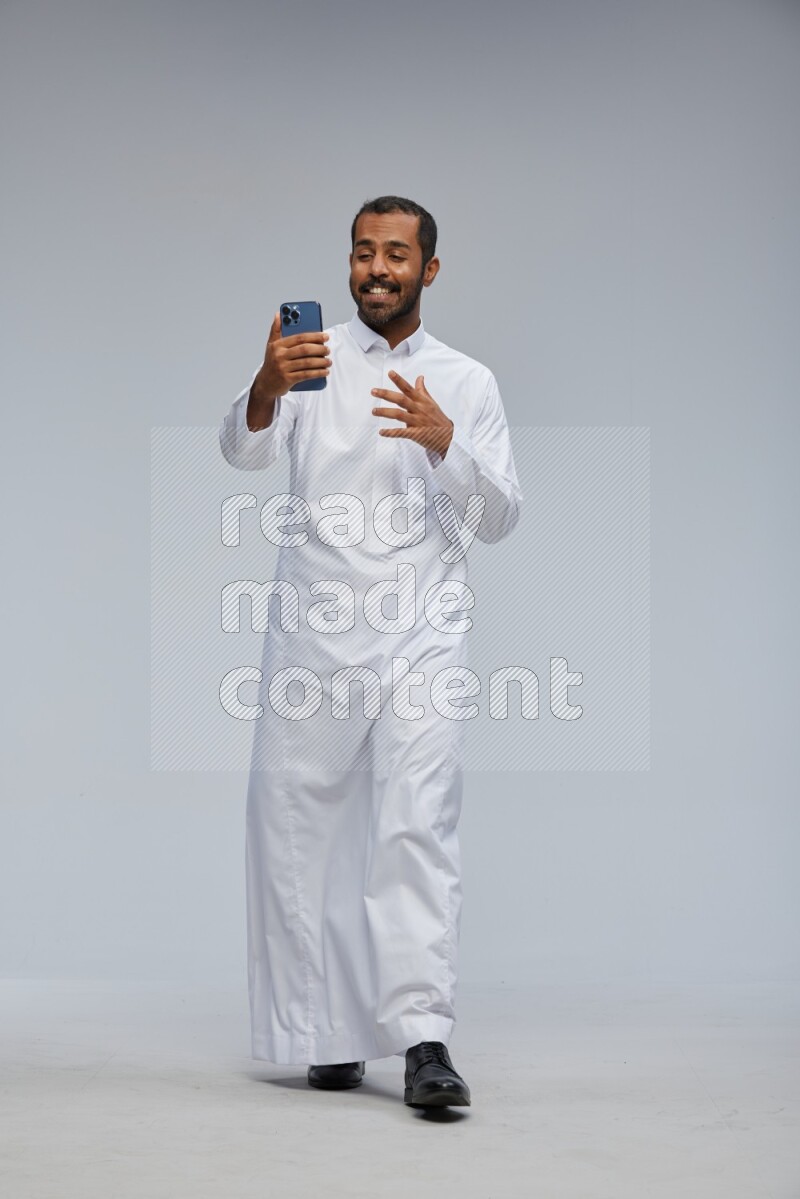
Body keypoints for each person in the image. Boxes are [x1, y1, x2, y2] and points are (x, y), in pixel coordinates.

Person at [219, 195, 522, 1108]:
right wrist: (267, 387)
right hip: (313, 636)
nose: (376, 269)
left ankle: (424, 1038)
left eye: (396, 254)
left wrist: (446, 446)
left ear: (429, 269)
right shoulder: (308, 363)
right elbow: (239, 451)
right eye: (362, 253)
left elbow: (499, 517)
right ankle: (325, 1032)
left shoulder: (467, 382)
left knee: (414, 825)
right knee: (299, 828)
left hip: (422, 638)